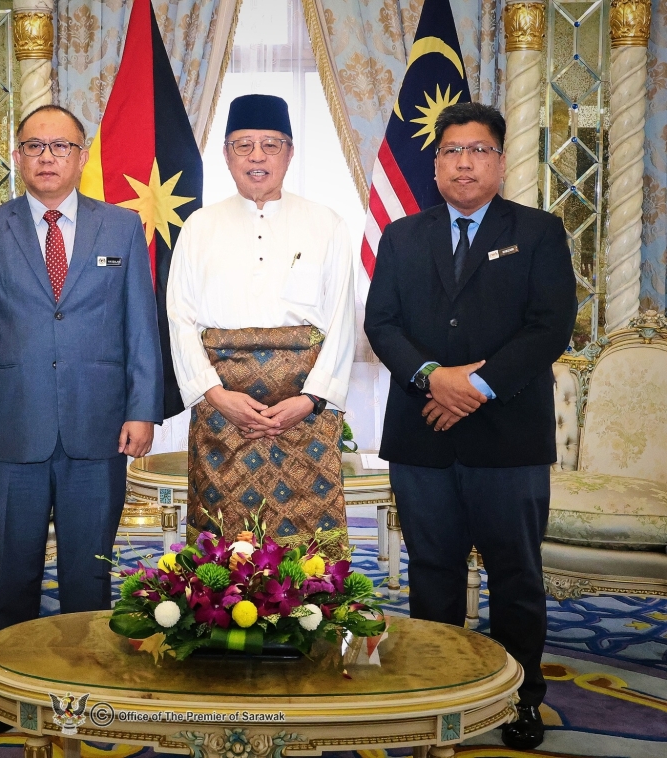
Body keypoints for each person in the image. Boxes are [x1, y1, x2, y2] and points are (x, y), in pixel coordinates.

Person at [364, 102, 577, 751]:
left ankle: (520, 698)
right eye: (452, 151)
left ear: (501, 162)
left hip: (509, 439)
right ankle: (439, 693)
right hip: (422, 435)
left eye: (479, 150)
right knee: (432, 571)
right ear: (435, 165)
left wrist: (475, 387)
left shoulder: (538, 232)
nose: (465, 162)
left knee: (516, 575)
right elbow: (382, 324)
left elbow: (550, 325)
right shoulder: (402, 235)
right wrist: (434, 377)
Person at [0, 104, 163, 732]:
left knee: (88, 576)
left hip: (99, 427)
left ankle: (83, 693)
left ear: (81, 155)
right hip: (9, 430)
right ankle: (6, 694)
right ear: (17, 155)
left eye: (61, 146)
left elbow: (140, 326)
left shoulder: (121, 227)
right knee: (13, 574)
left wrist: (143, 409)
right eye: (35, 145)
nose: (47, 157)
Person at [167, 94, 355, 546]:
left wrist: (310, 399)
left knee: (308, 551)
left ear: (290, 153)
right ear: (226, 155)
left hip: (304, 413)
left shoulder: (326, 224)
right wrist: (216, 395)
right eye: (243, 145)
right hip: (222, 414)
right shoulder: (199, 227)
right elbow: (180, 319)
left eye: (270, 145)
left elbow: (342, 321)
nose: (257, 156)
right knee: (223, 547)